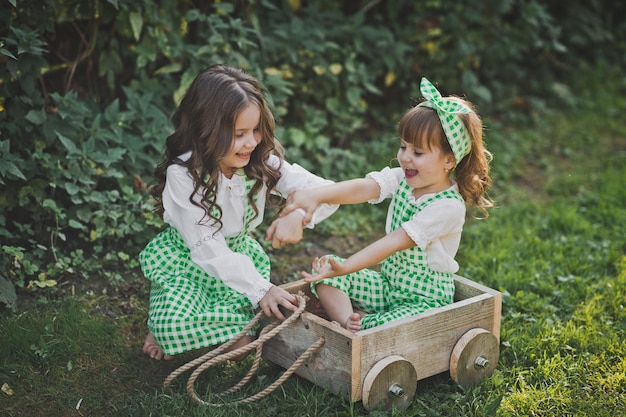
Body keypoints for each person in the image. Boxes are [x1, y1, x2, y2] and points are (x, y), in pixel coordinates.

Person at [140, 64, 338, 360]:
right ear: (206, 131)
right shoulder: (184, 175)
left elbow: (324, 190)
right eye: (239, 133)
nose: (252, 142)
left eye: (256, 130)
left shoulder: (260, 163)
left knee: (242, 347)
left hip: (239, 260)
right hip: (191, 262)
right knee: (174, 326)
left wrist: (297, 213)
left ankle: (222, 335)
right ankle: (163, 328)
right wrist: (261, 290)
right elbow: (207, 246)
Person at [282, 77, 493, 332]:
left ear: (449, 161)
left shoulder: (447, 207)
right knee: (327, 269)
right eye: (404, 146)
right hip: (387, 286)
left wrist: (348, 266)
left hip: (423, 300)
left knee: (385, 325)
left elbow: (394, 242)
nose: (404, 157)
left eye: (418, 152)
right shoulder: (404, 181)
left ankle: (359, 324)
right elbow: (363, 187)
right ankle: (349, 321)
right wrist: (318, 195)